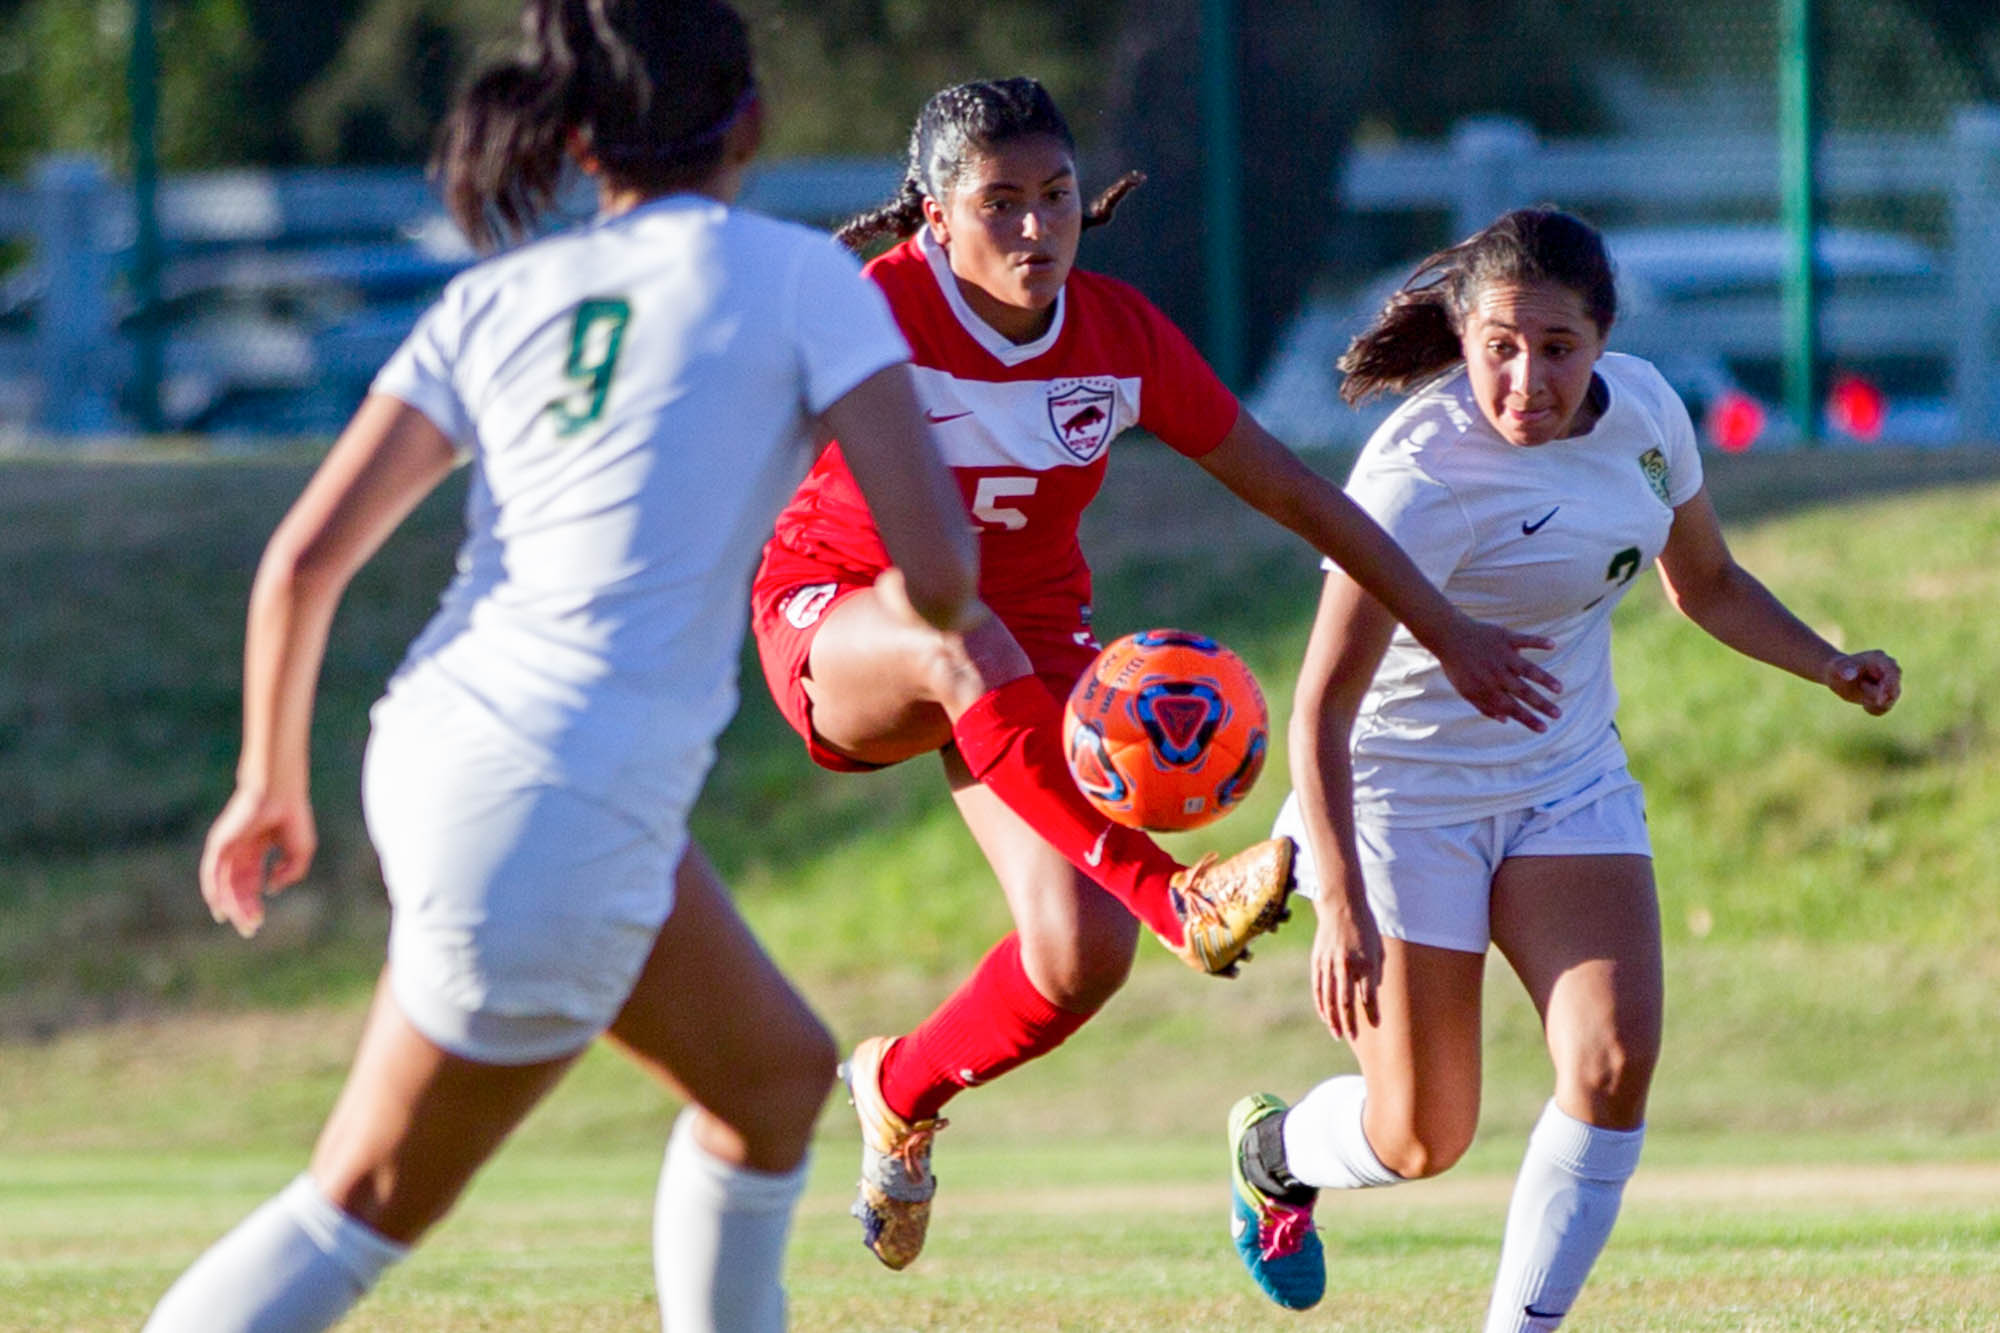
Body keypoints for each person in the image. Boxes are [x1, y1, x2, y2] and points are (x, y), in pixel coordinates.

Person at [141, 5, 981, 1331]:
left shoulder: (496, 297)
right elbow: (941, 577)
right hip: (558, 795)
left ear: (583, 142)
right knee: (356, 1200)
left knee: (772, 1078)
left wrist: (267, 785)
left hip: (431, 741)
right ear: (751, 123)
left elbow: (301, 564)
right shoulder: (803, 278)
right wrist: (901, 597)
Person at [747, 77, 1566, 1272]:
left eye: (1055, 197)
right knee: (949, 631)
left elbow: (1291, 492)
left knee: (1078, 957)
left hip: (1020, 650)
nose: (1035, 229)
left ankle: (900, 1084)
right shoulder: (873, 318)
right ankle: (1173, 893)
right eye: (1000, 204)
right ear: (933, 215)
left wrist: (1441, 626)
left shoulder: (1116, 335)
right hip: (839, 626)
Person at [1222, 206, 1902, 1327]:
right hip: (1404, 796)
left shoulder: (1643, 413)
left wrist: (1826, 663)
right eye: (1497, 346)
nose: (1524, 378)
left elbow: (1708, 583)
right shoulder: (1418, 475)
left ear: (1600, 340)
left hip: (1559, 777)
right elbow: (1320, 705)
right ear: (1462, 330)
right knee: (1420, 1135)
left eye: (1554, 348)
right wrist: (1335, 893)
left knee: (1612, 1056)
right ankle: (1271, 1154)